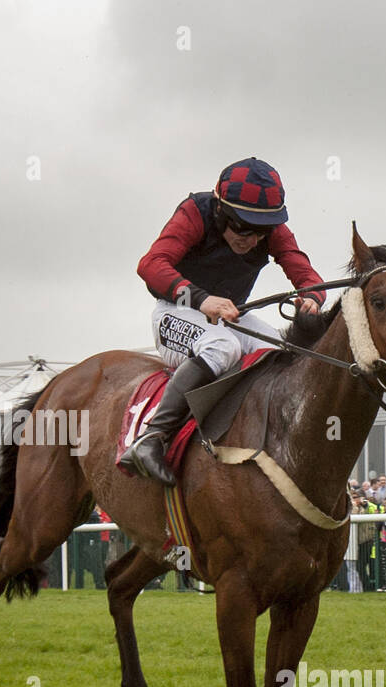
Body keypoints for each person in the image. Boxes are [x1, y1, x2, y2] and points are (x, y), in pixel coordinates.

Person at [121, 156, 327, 485]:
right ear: (220, 209)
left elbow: (305, 273)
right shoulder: (194, 212)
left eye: (261, 232)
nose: (252, 240)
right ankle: (152, 439)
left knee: (281, 352)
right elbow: (150, 264)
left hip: (229, 316)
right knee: (224, 346)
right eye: (243, 227)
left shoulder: (270, 231)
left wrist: (312, 299)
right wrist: (201, 299)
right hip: (174, 313)